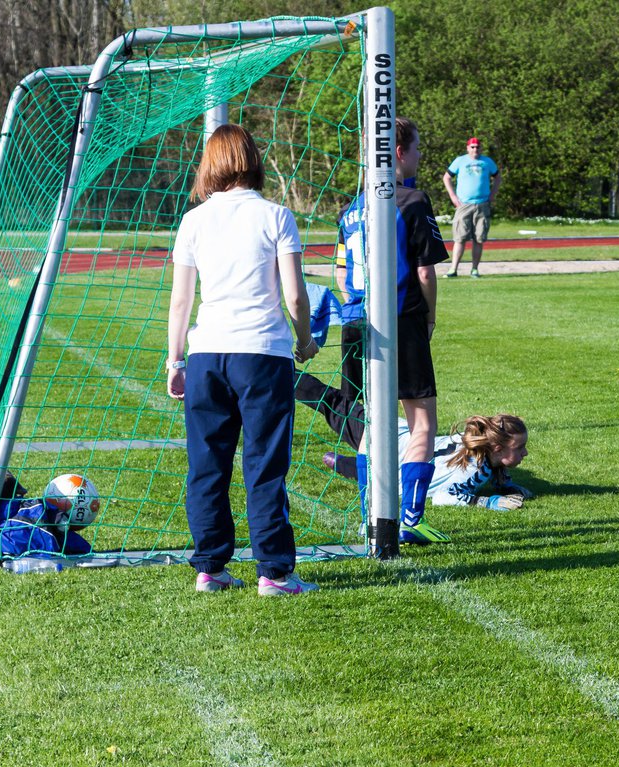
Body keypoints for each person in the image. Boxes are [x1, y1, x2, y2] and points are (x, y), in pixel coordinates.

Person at [166, 123, 321, 595]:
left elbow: (180, 300)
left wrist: (176, 361)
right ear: (253, 159)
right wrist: (305, 340)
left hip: (207, 355)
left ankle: (210, 568)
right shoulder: (277, 216)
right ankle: (274, 573)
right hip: (261, 355)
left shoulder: (193, 220)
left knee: (207, 465)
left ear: (210, 164)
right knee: (264, 464)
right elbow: (295, 296)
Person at [333, 116, 451, 545]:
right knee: (421, 421)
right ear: (398, 152)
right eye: (417, 147)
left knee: (371, 423)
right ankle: (408, 517)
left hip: (356, 322)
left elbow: (344, 273)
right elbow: (424, 271)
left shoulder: (351, 207)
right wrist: (430, 317)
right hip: (400, 319)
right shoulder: (412, 199)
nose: (420, 155)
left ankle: (371, 516)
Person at [323, 414, 532, 510]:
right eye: (520, 448)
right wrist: (487, 502)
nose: (526, 453)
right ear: (496, 448)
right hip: (383, 440)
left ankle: (338, 462)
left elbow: (495, 468)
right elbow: (443, 497)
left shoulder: (479, 446)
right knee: (332, 402)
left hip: (394, 434)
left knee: (332, 401)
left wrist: (507, 485)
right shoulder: (474, 470)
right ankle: (293, 373)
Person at [443, 136, 501, 279]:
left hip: (482, 204)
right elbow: (447, 177)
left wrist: (493, 194)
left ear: (481, 148)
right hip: (464, 205)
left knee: (479, 238)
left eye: (477, 147)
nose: (475, 149)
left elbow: (498, 177)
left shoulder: (487, 162)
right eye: (472, 147)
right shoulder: (460, 161)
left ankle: (474, 269)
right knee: (460, 238)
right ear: (467, 148)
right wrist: (453, 196)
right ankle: (453, 269)